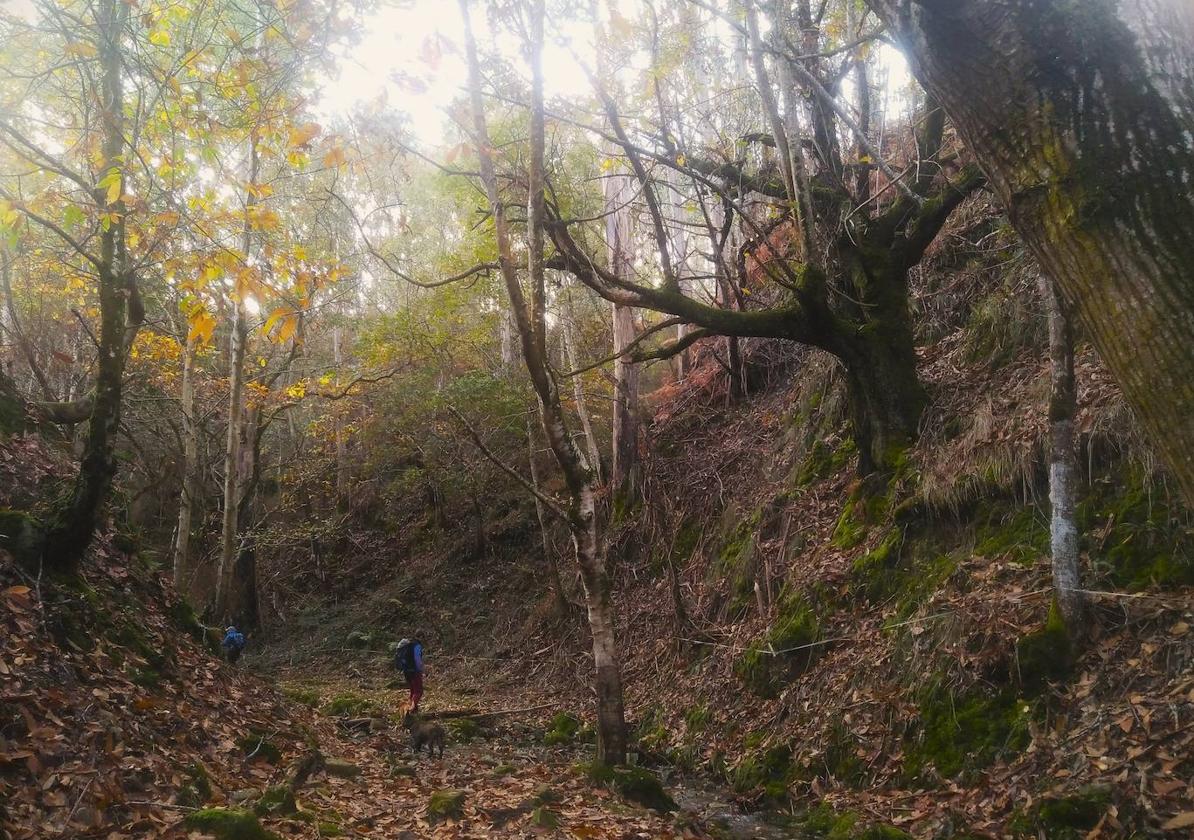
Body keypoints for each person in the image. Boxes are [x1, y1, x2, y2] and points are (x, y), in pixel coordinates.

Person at [393, 636, 424, 713]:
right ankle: (411, 708)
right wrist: (421, 669)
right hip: (414, 671)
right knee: (418, 691)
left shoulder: (407, 646)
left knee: (413, 690)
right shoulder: (416, 646)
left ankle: (413, 709)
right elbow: (417, 659)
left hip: (406, 672)